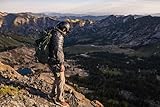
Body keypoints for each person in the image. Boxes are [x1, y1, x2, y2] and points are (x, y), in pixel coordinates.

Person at [48, 21, 71, 107]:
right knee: (61, 79)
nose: (66, 33)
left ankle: (52, 95)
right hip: (55, 61)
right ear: (64, 28)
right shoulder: (59, 36)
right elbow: (58, 51)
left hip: (50, 59)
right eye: (66, 30)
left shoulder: (54, 32)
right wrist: (61, 63)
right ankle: (59, 99)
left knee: (57, 78)